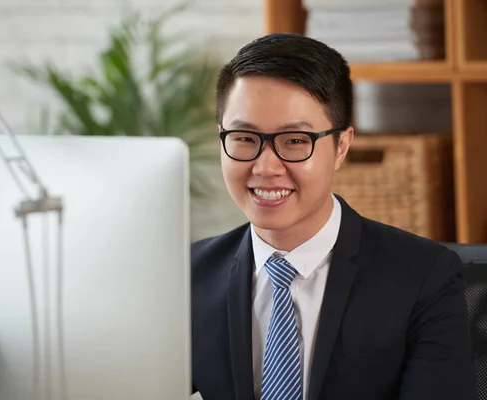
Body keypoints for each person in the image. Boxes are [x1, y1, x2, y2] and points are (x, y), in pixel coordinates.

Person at [190, 33, 476, 400]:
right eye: (244, 138)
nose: (265, 167)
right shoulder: (188, 277)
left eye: (294, 140)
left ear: (341, 146)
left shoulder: (423, 277)